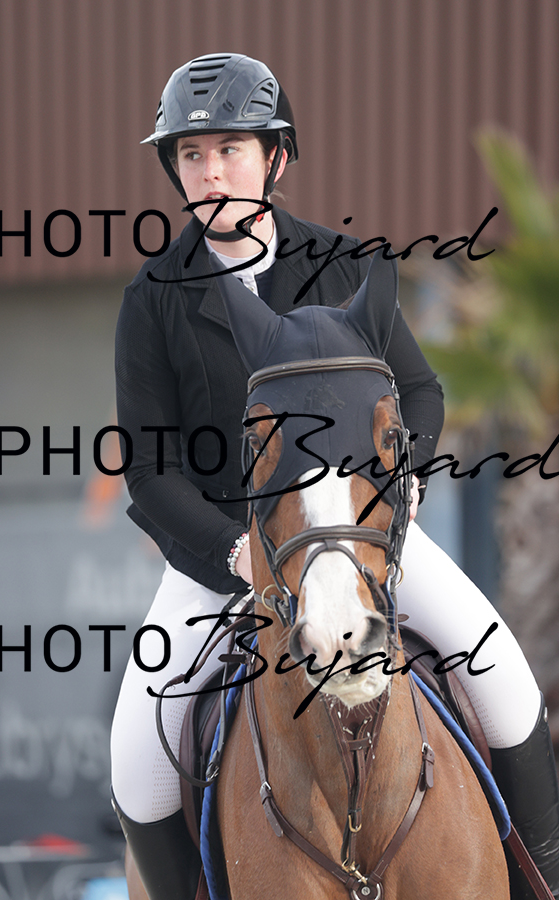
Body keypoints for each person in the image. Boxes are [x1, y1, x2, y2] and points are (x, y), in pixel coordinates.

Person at [110, 53, 559, 900]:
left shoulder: (346, 263)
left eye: (230, 150)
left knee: (503, 679)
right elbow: (150, 468)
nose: (211, 173)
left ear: (275, 157)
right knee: (138, 757)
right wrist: (233, 552)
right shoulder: (154, 297)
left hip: (360, 536)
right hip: (225, 560)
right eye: (192, 155)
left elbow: (419, 391)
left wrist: (404, 481)